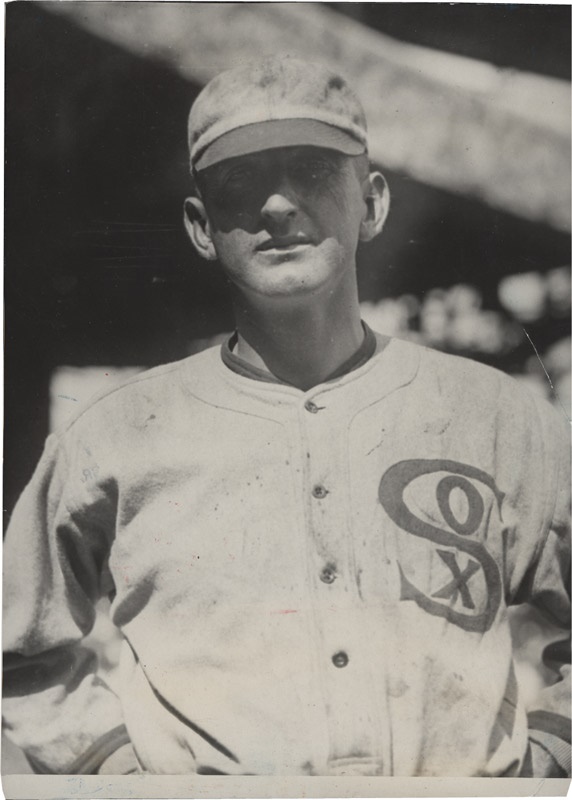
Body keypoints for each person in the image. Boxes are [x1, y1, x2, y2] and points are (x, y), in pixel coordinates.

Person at [3, 56, 570, 778]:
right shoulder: (117, 435)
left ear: (372, 202)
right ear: (202, 228)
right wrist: (115, 776)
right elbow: (19, 650)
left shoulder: (496, 418)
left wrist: (552, 753)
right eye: (240, 183)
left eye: (309, 169)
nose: (277, 207)